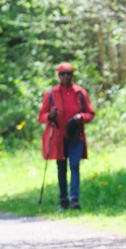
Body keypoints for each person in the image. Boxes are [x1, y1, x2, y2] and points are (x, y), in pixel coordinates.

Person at [38, 63, 95, 211]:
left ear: (72, 75)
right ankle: (63, 200)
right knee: (61, 168)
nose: (66, 76)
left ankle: (74, 199)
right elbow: (41, 117)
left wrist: (81, 117)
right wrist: (49, 115)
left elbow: (90, 113)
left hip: (76, 136)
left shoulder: (80, 93)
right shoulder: (51, 94)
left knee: (75, 166)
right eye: (63, 73)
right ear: (58, 75)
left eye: (68, 73)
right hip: (58, 137)